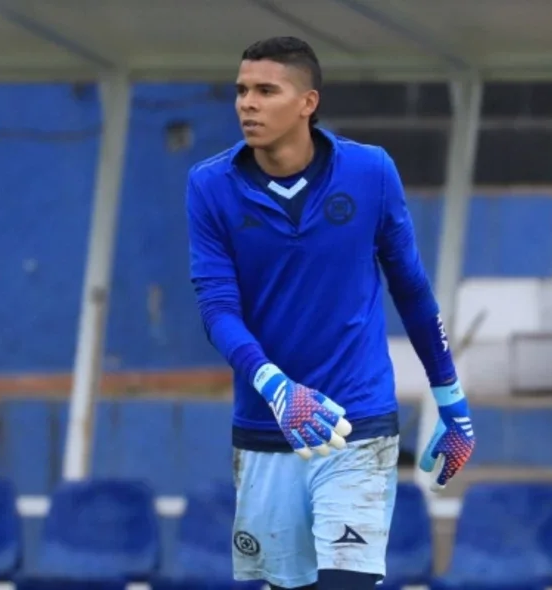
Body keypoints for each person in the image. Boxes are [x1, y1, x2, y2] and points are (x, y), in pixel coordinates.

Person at [185, 36, 477, 590]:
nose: (247, 103)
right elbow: (217, 308)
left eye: (266, 91)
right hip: (265, 429)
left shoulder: (370, 171)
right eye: (242, 90)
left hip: (358, 423)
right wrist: (276, 388)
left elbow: (411, 289)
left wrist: (451, 400)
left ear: (307, 103)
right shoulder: (209, 185)